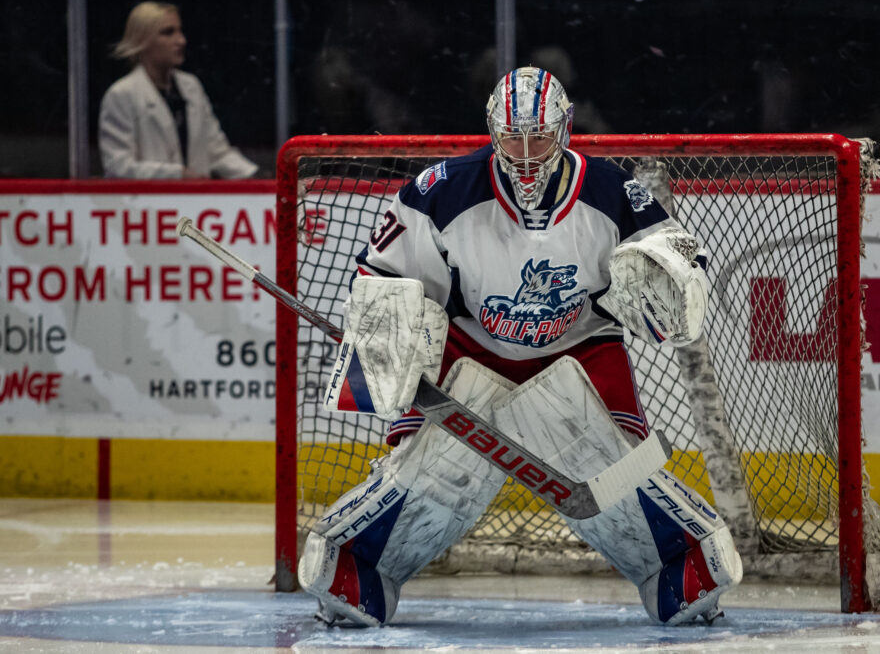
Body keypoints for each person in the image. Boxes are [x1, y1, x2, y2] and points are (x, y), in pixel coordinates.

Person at [299, 67, 743, 627]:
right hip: (469, 345)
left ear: (565, 129)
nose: (526, 151)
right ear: (492, 131)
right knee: (430, 471)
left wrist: (676, 280)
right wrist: (385, 340)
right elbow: (383, 278)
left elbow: (677, 261)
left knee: (612, 470)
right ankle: (358, 570)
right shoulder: (441, 191)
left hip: (581, 344)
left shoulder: (611, 189)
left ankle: (680, 569)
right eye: (513, 136)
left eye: (539, 135)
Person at [98, 1, 258, 180]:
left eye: (180, 31)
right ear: (143, 41)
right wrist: (175, 175)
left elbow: (216, 151)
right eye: (168, 33)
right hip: (147, 205)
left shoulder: (191, 86)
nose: (181, 40)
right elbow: (118, 167)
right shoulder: (122, 94)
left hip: (196, 203)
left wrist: (256, 177)